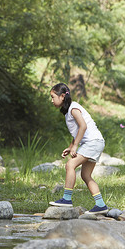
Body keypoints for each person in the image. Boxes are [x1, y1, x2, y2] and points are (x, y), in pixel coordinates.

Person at [48, 83, 108, 214]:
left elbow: (83, 126)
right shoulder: (69, 110)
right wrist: (71, 147)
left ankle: (66, 199)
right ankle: (100, 204)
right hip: (96, 142)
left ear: (62, 96)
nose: (52, 100)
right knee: (85, 175)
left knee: (70, 165)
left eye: (53, 97)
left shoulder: (74, 108)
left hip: (93, 142)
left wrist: (75, 146)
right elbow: (77, 132)